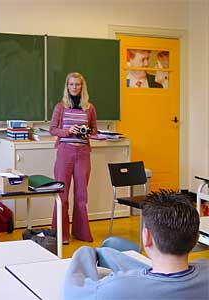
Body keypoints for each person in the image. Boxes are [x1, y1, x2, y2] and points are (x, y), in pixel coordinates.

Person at [63, 191, 209, 300]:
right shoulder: (205, 269)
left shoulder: (116, 288)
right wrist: (104, 254)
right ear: (196, 238)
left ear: (146, 237)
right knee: (106, 252)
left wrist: (84, 252)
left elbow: (72, 291)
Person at [49, 72, 97, 243]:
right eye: (71, 84)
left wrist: (88, 131)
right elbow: (53, 129)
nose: (74, 87)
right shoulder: (60, 107)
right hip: (65, 151)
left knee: (81, 196)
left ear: (82, 87)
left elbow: (94, 129)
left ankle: (81, 232)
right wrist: (69, 131)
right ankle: (61, 234)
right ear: (67, 86)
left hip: (83, 153)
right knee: (62, 194)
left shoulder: (89, 108)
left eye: (77, 84)